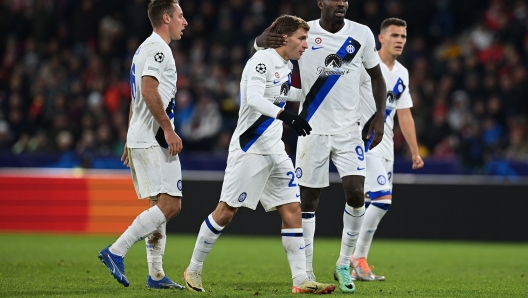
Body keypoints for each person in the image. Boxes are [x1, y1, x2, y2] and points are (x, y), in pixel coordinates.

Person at [183, 15, 336, 294]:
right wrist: (286, 116)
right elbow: (252, 98)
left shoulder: (286, 66)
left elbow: (291, 92)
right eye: (302, 38)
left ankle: (301, 280)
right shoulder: (261, 60)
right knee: (226, 212)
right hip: (250, 146)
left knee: (293, 210)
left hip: (275, 148)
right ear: (285, 37)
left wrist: (329, 76)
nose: (306, 44)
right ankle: (193, 269)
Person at [254, 0, 387, 293]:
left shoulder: (361, 33)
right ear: (321, 3)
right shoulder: (304, 32)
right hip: (312, 128)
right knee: (309, 201)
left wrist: (380, 117)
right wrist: (259, 41)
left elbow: (377, 77)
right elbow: (268, 47)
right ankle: (308, 270)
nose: (341, 2)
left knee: (355, 194)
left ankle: (343, 263)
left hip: (349, 129)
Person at [97, 0, 188, 289]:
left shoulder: (144, 48)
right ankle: (116, 250)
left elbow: (135, 98)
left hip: (143, 135)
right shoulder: (158, 49)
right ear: (166, 17)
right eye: (180, 16)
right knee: (170, 205)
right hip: (154, 138)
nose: (184, 21)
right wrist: (168, 129)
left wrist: (128, 136)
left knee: (158, 205)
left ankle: (156, 275)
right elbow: (148, 90)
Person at [353, 17, 424, 281]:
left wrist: (415, 152)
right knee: (382, 200)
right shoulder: (366, 64)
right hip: (365, 140)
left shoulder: (402, 73)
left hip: (387, 146)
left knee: (374, 203)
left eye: (403, 36)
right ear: (381, 38)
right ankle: (354, 256)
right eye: (394, 35)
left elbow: (404, 115)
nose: (400, 41)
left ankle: (358, 262)